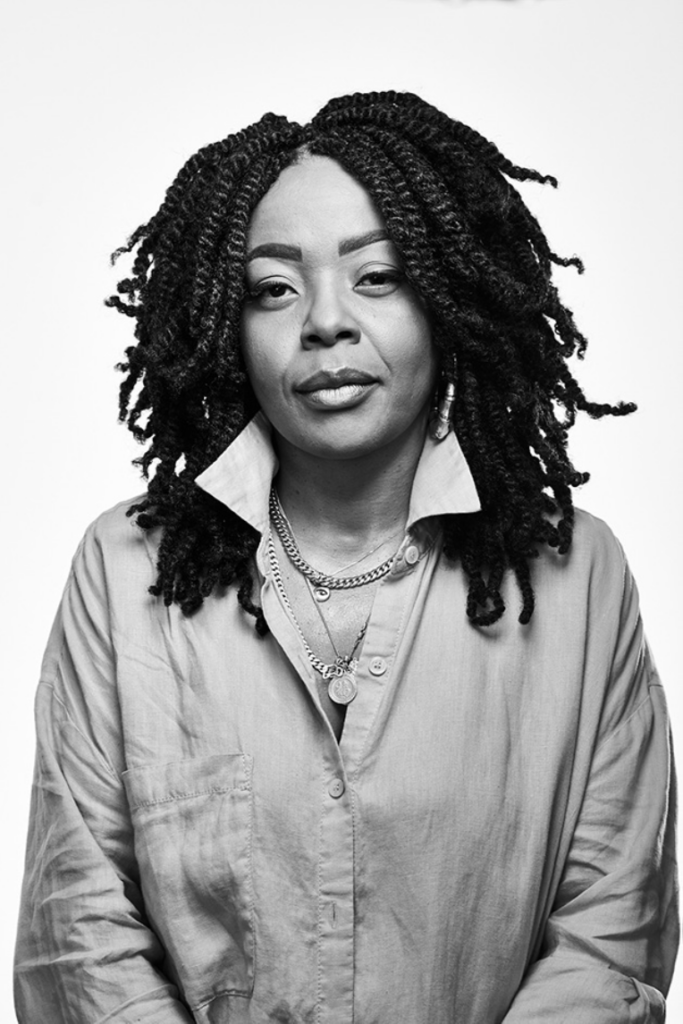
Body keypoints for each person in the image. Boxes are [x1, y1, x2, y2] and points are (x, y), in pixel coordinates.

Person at [14, 91, 677, 1023]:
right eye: (272, 288)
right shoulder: (125, 573)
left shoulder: (577, 578)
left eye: (379, 275)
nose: (324, 322)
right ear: (224, 328)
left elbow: (608, 937)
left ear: (452, 298)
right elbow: (77, 936)